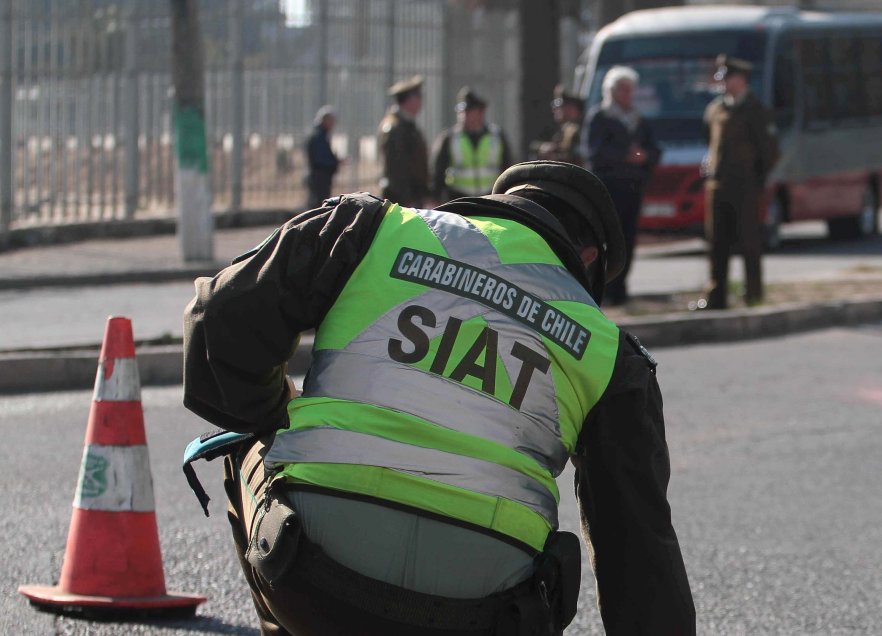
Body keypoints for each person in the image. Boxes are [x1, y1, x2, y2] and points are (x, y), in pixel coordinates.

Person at [182, 160, 696, 635]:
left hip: (311, 577)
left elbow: (220, 321)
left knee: (246, 437)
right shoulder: (610, 352)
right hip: (484, 613)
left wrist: (276, 415)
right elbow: (639, 548)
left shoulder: (371, 229)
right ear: (588, 259)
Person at [699, 55, 779, 309]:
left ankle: (753, 294)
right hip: (718, 186)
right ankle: (716, 295)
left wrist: (755, 181)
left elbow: (769, 152)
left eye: (728, 77)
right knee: (717, 244)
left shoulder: (756, 110)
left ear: (742, 79)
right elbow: (709, 142)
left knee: (749, 242)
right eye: (722, 77)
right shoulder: (715, 109)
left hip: (745, 188)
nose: (723, 82)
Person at [583, 65, 660, 306]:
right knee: (606, 240)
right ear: (612, 91)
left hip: (632, 188)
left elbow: (655, 150)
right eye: (623, 89)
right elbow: (595, 152)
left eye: (631, 89)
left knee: (627, 240)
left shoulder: (639, 120)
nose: (628, 94)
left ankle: (621, 289)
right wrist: (624, 155)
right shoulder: (601, 117)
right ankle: (603, 289)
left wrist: (644, 156)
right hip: (608, 189)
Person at [431, 87, 514, 201]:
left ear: (480, 113)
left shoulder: (497, 136)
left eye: (469, 112)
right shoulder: (449, 138)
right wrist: (436, 198)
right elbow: (438, 172)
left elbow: (508, 167)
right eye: (462, 112)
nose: (464, 115)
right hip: (458, 199)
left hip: (491, 197)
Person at [377, 75, 431, 208]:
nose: (421, 102)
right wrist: (407, 200)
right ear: (409, 100)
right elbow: (396, 168)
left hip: (411, 197)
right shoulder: (395, 128)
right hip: (400, 199)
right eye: (418, 97)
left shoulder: (407, 125)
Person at [534, 84, 585, 166]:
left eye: (559, 105)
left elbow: (577, 160)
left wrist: (556, 158)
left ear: (573, 108)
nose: (555, 109)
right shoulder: (565, 130)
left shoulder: (578, 131)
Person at [304, 105, 342, 209]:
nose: (333, 124)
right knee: (317, 206)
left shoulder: (320, 134)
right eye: (331, 121)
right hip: (319, 177)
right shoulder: (318, 136)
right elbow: (321, 159)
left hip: (319, 177)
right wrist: (335, 162)